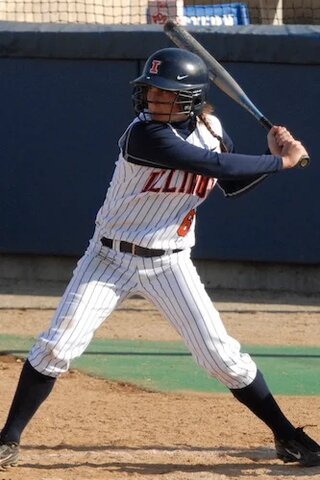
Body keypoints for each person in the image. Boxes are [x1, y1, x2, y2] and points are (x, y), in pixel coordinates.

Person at [0, 47, 319, 469]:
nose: (154, 100)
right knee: (57, 346)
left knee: (221, 356)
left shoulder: (211, 127)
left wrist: (269, 156)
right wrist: (281, 161)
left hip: (169, 263)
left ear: (190, 99)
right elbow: (209, 162)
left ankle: (286, 436)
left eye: (165, 94)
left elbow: (231, 183)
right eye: (151, 92)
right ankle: (8, 439)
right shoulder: (143, 134)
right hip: (109, 258)